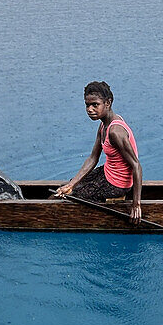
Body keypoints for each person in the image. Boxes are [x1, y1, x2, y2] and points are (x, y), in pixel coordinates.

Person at [52, 81, 143, 223]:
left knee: (72, 197)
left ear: (108, 103)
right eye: (87, 105)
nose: (90, 109)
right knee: (68, 187)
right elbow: (93, 158)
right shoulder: (103, 124)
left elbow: (136, 166)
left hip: (117, 184)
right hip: (107, 172)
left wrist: (136, 204)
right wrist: (72, 184)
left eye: (95, 105)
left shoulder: (115, 132)